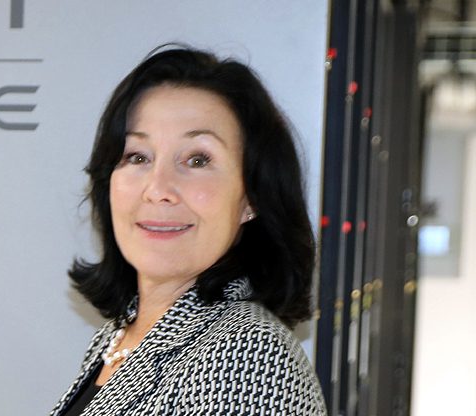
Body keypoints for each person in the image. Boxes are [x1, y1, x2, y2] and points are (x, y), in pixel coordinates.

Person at [49, 45, 327, 415]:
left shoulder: (246, 354)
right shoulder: (117, 339)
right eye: (137, 156)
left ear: (251, 196)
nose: (158, 188)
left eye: (197, 160)